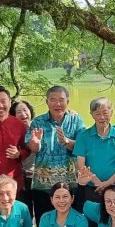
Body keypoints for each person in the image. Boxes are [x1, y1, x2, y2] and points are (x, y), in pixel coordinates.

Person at [26, 86, 86, 216]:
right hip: (43, 185)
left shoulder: (76, 120)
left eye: (61, 100)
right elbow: (33, 149)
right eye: (53, 100)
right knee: (45, 226)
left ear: (67, 102)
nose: (57, 104)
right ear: (47, 102)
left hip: (70, 184)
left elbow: (83, 147)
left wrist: (67, 142)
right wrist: (35, 142)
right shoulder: (38, 121)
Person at [74, 97, 115, 204]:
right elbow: (81, 165)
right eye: (98, 114)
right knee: (93, 218)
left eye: (105, 113)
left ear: (111, 112)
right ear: (91, 114)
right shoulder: (83, 136)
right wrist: (98, 183)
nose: (102, 117)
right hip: (92, 188)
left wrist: (109, 182)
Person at [13, 100, 37, 200]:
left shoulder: (39, 128)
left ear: (30, 112)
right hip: (21, 178)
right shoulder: (13, 132)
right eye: (18, 112)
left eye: (25, 110)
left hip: (39, 177)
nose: (23, 114)